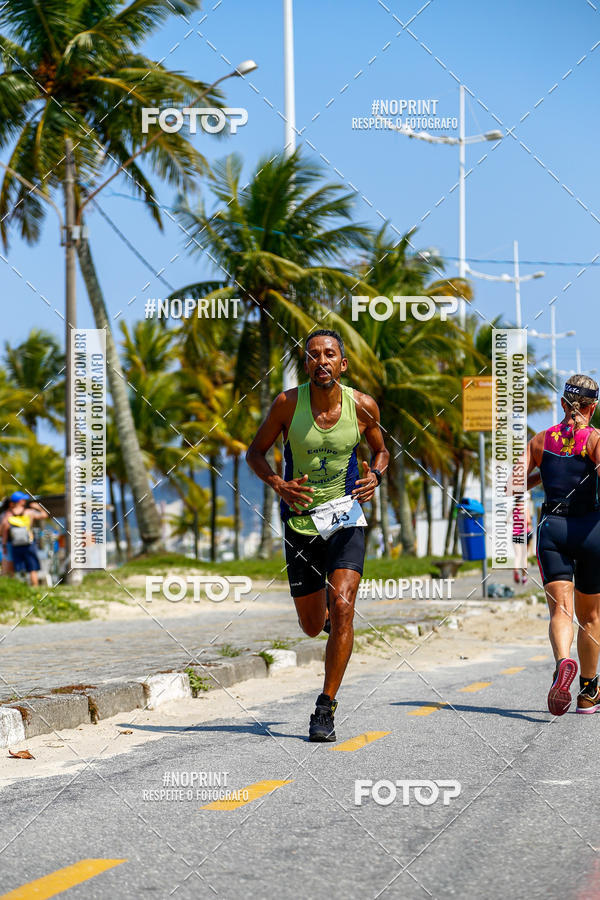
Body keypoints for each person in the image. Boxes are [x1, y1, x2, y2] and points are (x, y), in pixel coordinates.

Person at [246, 329, 389, 742]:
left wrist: (375, 475)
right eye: (312, 355)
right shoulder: (287, 405)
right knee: (312, 626)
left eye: (329, 355)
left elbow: (381, 451)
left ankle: (325, 706)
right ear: (305, 364)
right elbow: (255, 452)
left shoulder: (362, 406)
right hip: (301, 521)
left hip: (345, 517)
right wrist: (277, 483)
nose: (320, 361)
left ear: (342, 364)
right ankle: (331, 626)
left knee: (343, 605)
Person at [524, 375, 600, 716]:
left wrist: (544, 473)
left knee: (561, 610)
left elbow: (516, 483)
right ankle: (587, 692)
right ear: (592, 407)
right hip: (591, 532)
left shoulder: (541, 440)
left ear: (562, 404)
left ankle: (563, 662)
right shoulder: (594, 439)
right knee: (592, 616)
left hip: (552, 530)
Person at [0, 492, 48, 586]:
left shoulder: (8, 514)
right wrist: (38, 507)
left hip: (15, 544)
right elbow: (44, 515)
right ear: (20, 501)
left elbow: (3, 531)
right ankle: (35, 588)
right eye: (23, 499)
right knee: (32, 568)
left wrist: (4, 545)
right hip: (29, 544)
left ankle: (19, 588)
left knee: (16, 568)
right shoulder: (28, 512)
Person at [512, 501, 533, 584]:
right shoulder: (525, 508)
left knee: (517, 555)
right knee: (524, 556)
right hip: (524, 533)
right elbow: (528, 521)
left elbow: (507, 520)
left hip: (515, 534)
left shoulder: (513, 509)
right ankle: (524, 578)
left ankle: (516, 571)